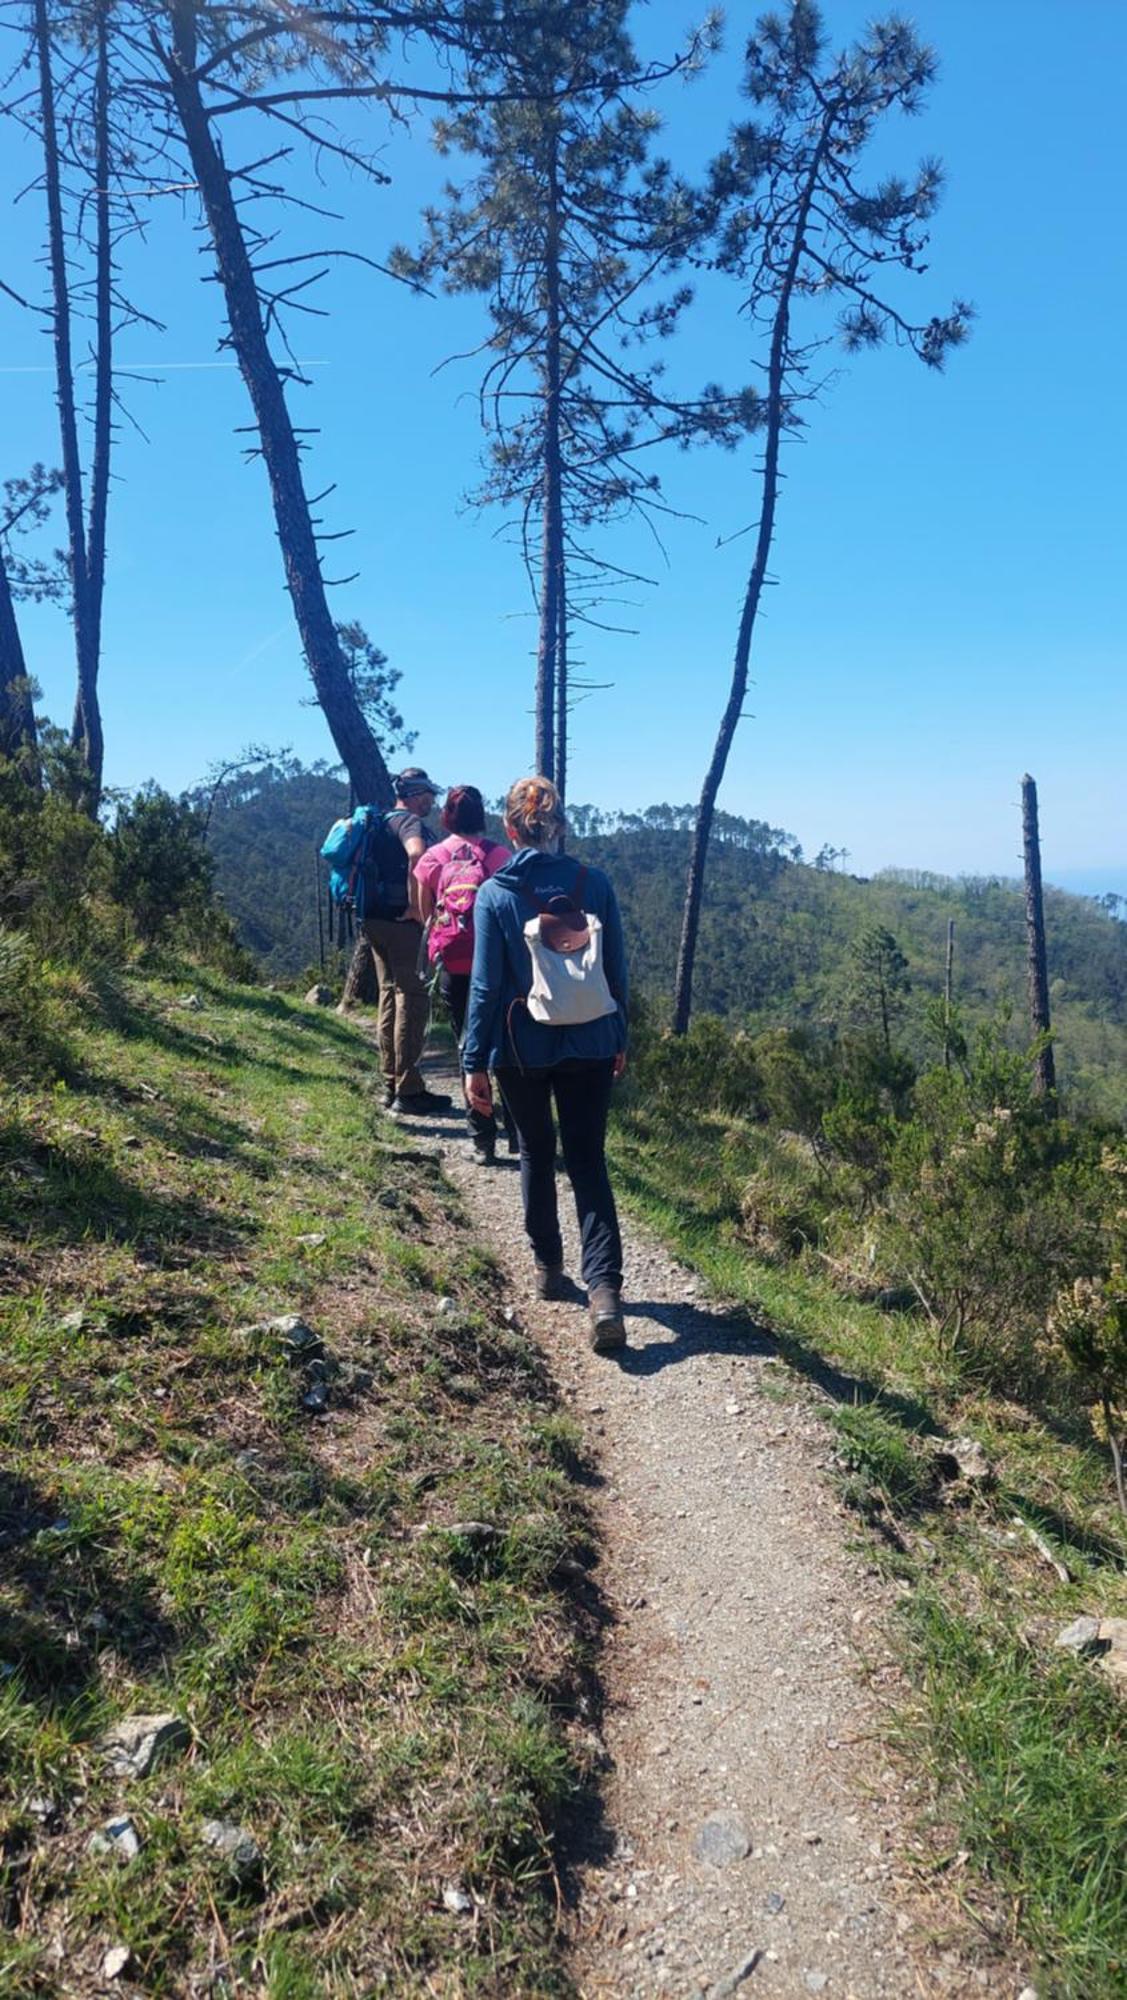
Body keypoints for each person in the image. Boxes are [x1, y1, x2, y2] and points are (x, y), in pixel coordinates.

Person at [461, 776, 629, 1351]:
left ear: (509, 830)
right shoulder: (595, 885)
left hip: (519, 1048)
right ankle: (605, 1291)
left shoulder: (495, 894)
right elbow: (616, 971)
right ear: (559, 827)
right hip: (591, 1040)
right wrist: (619, 1031)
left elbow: (483, 988)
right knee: (587, 1161)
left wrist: (473, 1063)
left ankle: (549, 1268)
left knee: (535, 1149)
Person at [413, 785, 514, 1165]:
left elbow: (424, 914)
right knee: (503, 1044)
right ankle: (518, 1132)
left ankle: (481, 1140)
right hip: (495, 967)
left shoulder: (434, 858)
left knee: (467, 1046)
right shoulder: (498, 856)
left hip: (454, 966)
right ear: (482, 815)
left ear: (447, 817)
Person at [363, 767, 451, 1117]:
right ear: (416, 794)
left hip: (373, 919)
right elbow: (416, 854)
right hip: (401, 923)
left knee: (389, 994)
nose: (432, 800)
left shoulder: (380, 821)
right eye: (428, 794)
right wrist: (417, 907)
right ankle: (409, 1089)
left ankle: (390, 1081)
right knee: (411, 998)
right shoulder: (409, 823)